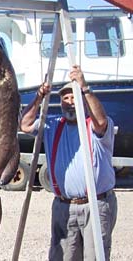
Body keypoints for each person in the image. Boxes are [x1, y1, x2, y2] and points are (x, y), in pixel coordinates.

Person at [20, 65, 117, 260]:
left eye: (74, 97)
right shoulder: (53, 125)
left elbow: (101, 121)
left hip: (96, 205)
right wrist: (39, 96)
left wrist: (86, 88)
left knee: (95, 256)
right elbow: (25, 124)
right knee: (62, 256)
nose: (70, 102)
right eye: (65, 98)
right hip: (64, 206)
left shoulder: (95, 127)